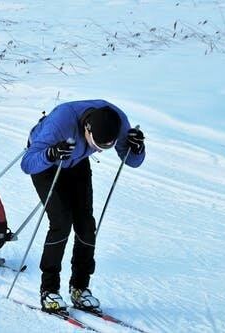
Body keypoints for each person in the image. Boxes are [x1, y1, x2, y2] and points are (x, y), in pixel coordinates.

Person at [21, 100, 145, 313]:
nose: (99, 151)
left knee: (86, 225)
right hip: (48, 161)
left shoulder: (118, 120)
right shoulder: (60, 122)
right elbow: (28, 163)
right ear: (87, 128)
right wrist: (51, 154)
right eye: (96, 146)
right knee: (61, 222)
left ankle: (80, 288)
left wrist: (137, 148)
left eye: (105, 148)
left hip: (76, 162)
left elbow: (133, 161)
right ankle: (49, 290)